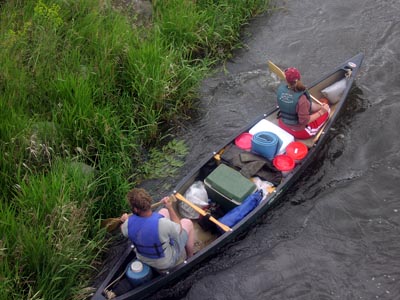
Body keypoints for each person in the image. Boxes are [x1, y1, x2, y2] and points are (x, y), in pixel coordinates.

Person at [120, 188, 195, 271]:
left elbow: (123, 229)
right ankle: (190, 257)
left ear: (135, 209)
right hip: (165, 263)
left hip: (143, 258)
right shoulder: (163, 223)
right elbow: (179, 229)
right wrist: (170, 207)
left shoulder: (127, 224)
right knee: (187, 223)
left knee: (163, 211)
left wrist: (125, 220)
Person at [276, 67, 330, 139]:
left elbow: (306, 105)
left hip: (282, 124)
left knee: (311, 108)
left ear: (286, 80)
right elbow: (304, 121)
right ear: (299, 78)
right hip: (298, 132)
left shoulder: (280, 90)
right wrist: (322, 111)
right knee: (328, 111)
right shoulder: (301, 99)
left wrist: (320, 107)